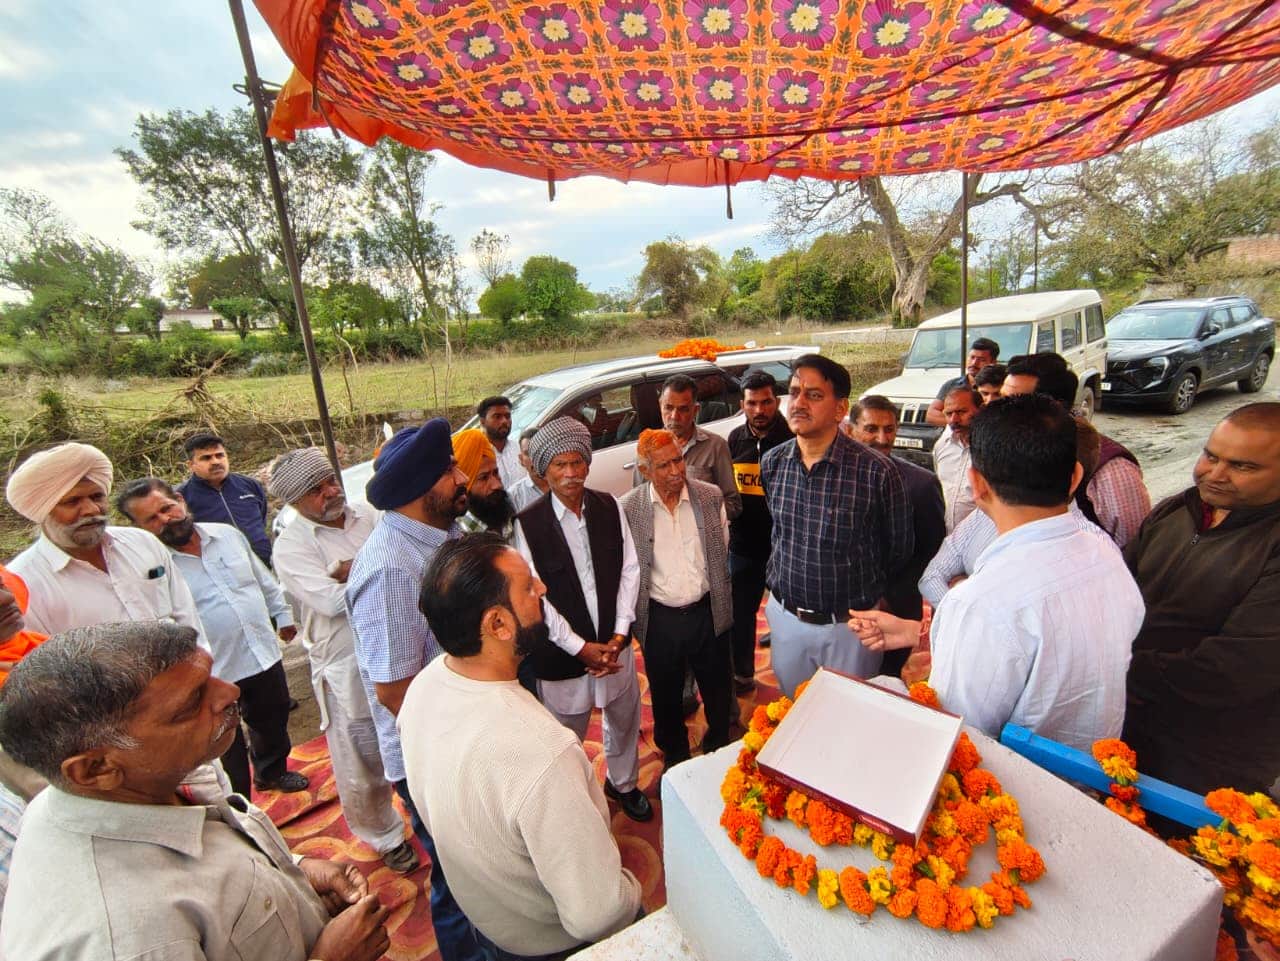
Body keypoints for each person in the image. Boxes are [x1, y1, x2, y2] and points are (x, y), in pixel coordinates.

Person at [0, 621, 391, 961]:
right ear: (95, 768)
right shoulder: (125, 938)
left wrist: (294, 872)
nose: (230, 693)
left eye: (209, 677)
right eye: (190, 704)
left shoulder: (141, 782)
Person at [851, 394, 1145, 750]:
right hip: (1093, 767)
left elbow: (961, 733)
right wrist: (922, 631)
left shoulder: (982, 601)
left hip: (1016, 778)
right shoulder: (1105, 552)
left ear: (976, 484)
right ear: (1075, 477)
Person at [401, 534, 643, 960]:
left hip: (489, 926)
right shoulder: (541, 752)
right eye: (529, 587)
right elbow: (598, 915)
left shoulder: (424, 686)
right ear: (498, 625)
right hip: (553, 945)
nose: (543, 589)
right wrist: (632, 892)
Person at [347, 419, 483, 961]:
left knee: (485, 867)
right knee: (461, 880)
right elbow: (396, 692)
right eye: (449, 471)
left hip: (466, 734)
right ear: (420, 489)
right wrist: (460, 747)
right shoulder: (390, 570)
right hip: (435, 755)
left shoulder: (443, 533)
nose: (462, 477)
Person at [268, 447, 420, 874]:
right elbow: (333, 602)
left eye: (330, 481)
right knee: (362, 758)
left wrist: (350, 567)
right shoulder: (291, 547)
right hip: (345, 660)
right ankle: (385, 836)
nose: (331, 492)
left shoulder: (368, 514)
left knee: (412, 732)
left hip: (398, 637)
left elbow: (406, 558)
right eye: (316, 490)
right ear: (295, 502)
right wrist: (379, 567)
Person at [1122, 402, 1280, 795]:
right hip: (1129, 714)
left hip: (1210, 753)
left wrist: (1117, 667)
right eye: (1211, 456)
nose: (1216, 474)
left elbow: (1234, 669)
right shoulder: (1179, 509)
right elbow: (1116, 588)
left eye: (1242, 466)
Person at [117, 478, 307, 796]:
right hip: (209, 669)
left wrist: (283, 615)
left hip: (259, 649)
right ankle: (238, 799)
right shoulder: (149, 569)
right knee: (222, 738)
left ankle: (271, 772)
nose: (165, 519)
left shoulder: (227, 535)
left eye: (166, 508)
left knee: (272, 717)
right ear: (140, 528)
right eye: (152, 518)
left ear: (180, 501)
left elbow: (262, 579)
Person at [513, 418, 651, 822]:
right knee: (564, 735)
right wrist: (580, 648)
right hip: (562, 655)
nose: (571, 473)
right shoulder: (528, 523)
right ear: (544, 470)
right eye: (560, 465)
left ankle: (623, 784)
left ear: (588, 464)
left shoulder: (609, 506)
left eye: (577, 462)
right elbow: (534, 595)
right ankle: (570, 801)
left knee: (623, 717)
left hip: (613, 646)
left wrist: (620, 635)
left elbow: (630, 569)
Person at [761, 354, 913, 697]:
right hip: (786, 620)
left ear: (840, 408)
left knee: (850, 713)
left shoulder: (876, 472)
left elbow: (898, 549)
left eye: (814, 395)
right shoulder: (773, 462)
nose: (799, 403)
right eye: (794, 392)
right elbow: (780, 533)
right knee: (795, 709)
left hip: (850, 628)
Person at [4, 442, 204, 641]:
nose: (92, 509)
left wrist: (201, 657)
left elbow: (186, 613)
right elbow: (36, 655)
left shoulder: (141, 541)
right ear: (42, 510)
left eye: (97, 496)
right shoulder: (23, 584)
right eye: (72, 502)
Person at [621, 429, 733, 769]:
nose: (676, 471)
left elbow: (721, 548)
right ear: (645, 471)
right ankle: (675, 754)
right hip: (660, 618)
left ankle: (719, 742)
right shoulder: (629, 509)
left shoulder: (709, 497)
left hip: (706, 610)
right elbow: (628, 568)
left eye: (678, 460)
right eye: (664, 465)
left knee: (717, 685)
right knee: (666, 692)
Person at [919, 416, 1109, 607]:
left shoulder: (1096, 554)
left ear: (1073, 476)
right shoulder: (985, 513)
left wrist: (961, 590)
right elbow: (931, 577)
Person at [1003, 353, 1151, 546]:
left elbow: (1135, 548)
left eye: (1015, 403)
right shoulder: (1009, 452)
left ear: (1053, 407)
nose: (998, 411)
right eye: (1001, 399)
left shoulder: (1111, 468)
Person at [847, 396, 946, 623]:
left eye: (889, 429)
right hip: (840, 610)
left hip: (895, 611)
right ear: (850, 431)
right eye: (871, 429)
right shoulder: (832, 479)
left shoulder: (921, 484)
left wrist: (889, 598)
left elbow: (932, 554)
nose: (882, 439)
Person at [726, 372, 792, 693]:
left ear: (776, 402)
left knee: (788, 615)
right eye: (752, 403)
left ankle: (793, 676)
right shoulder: (734, 439)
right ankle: (742, 674)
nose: (759, 410)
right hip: (743, 547)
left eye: (766, 402)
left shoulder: (792, 439)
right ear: (742, 405)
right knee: (740, 614)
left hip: (785, 548)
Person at [637, 374, 742, 520]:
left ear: (695, 410)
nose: (674, 416)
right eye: (668, 408)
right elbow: (639, 505)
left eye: (683, 409)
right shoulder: (647, 449)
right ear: (660, 405)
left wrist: (698, 512)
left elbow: (733, 504)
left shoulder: (715, 447)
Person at [177, 432, 273, 566]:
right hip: (223, 569)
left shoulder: (249, 485)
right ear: (191, 465)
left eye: (220, 455)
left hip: (265, 564)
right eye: (206, 458)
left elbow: (261, 518)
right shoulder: (182, 497)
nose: (215, 461)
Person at [933, 386, 982, 532]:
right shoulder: (942, 446)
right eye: (949, 414)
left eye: (961, 412)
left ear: (981, 410)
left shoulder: (992, 449)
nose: (954, 419)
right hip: (946, 535)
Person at [454, 428, 516, 537]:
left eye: (496, 473)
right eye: (483, 478)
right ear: (464, 487)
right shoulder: (462, 536)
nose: (497, 485)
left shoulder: (513, 506)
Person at [925, 337, 999, 426]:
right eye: (972, 357)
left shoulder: (998, 387)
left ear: (993, 362)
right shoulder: (952, 385)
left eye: (982, 359)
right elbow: (931, 415)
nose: (974, 363)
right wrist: (963, 423)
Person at [478, 396, 523, 489]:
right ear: (482, 422)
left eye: (507, 416)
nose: (504, 421)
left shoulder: (519, 449)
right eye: (497, 417)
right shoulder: (478, 455)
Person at [508, 428, 549, 513]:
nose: (535, 458)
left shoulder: (567, 479)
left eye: (539, 451)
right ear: (521, 459)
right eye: (528, 453)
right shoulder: (514, 497)